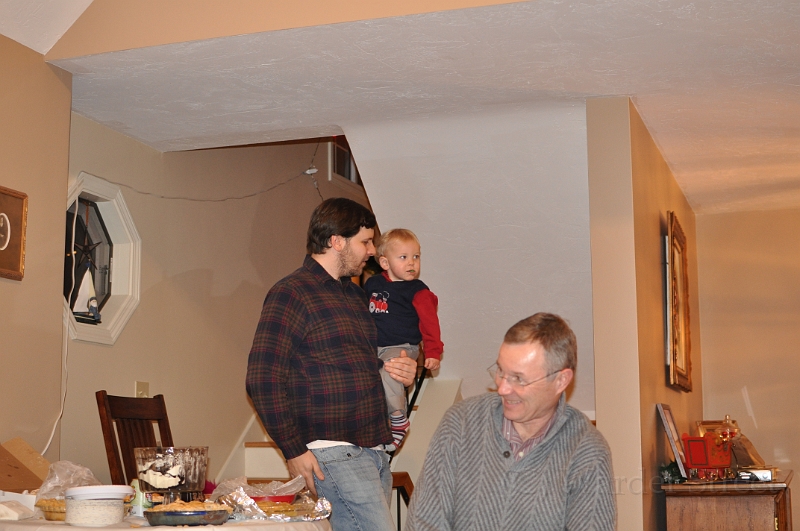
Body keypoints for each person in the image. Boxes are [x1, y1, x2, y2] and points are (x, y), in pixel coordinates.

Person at [245, 197, 418, 531]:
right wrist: (293, 450)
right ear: (337, 241)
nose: (372, 251)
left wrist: (400, 371)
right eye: (365, 242)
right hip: (332, 452)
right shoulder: (292, 292)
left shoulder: (355, 296)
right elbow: (263, 378)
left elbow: (365, 367)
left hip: (374, 451)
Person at [406, 312, 615, 531]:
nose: (503, 388)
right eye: (500, 371)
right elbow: (423, 521)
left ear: (561, 380)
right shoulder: (461, 422)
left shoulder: (588, 452)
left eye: (518, 379)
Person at [363, 228, 444, 450]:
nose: (411, 263)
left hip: (401, 346)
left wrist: (433, 352)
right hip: (374, 346)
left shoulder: (418, 291)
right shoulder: (373, 285)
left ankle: (398, 418)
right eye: (403, 257)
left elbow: (430, 324)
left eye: (416, 257)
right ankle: (376, 423)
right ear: (385, 262)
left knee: (390, 370)